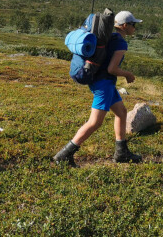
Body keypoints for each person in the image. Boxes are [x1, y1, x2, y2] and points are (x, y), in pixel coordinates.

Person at [53, 10, 143, 167]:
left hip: (98, 80)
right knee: (94, 122)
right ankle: (64, 155)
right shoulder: (121, 43)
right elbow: (112, 69)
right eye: (133, 25)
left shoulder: (110, 37)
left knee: (121, 112)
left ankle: (121, 152)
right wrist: (127, 74)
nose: (135, 28)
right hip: (104, 84)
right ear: (124, 26)